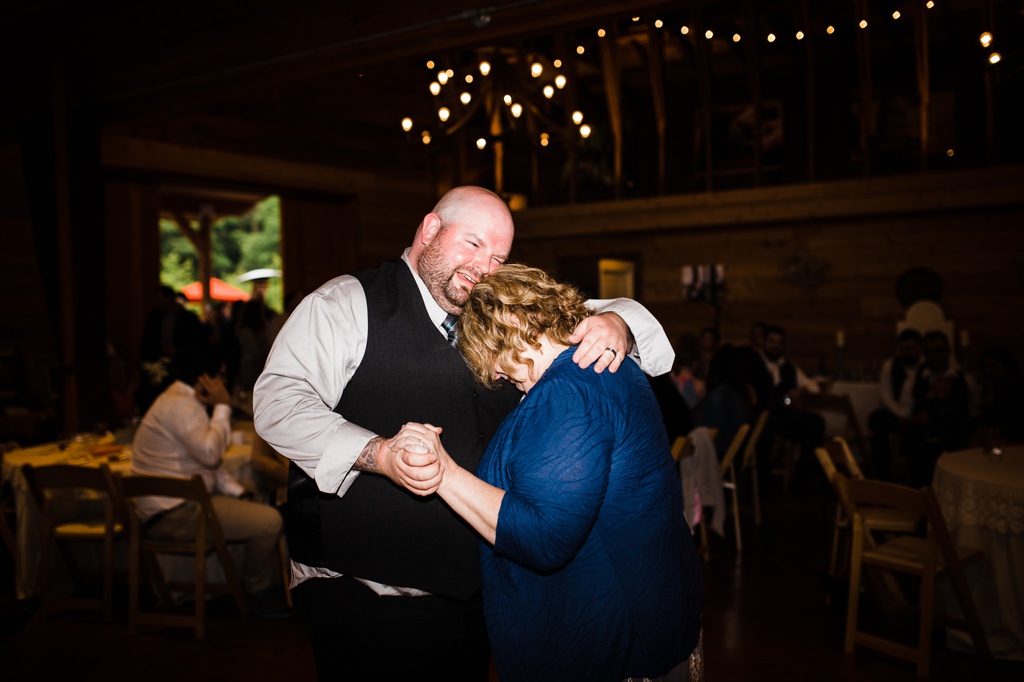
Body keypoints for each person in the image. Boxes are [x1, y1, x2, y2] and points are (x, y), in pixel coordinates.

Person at [253, 185, 674, 680]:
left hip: (476, 591)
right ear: (430, 230)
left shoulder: (504, 314)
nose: (484, 267)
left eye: (499, 257)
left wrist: (616, 322)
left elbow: (637, 328)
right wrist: (378, 453)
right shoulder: (346, 302)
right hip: (362, 589)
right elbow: (278, 400)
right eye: (473, 244)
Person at [391, 263, 703, 682]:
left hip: (612, 642)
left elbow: (543, 537)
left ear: (514, 323)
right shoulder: (605, 364)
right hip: (645, 615)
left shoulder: (569, 390)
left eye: (488, 354)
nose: (495, 375)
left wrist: (444, 472)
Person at [131, 344, 288, 618]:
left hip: (179, 505)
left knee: (254, 494)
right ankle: (257, 592)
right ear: (205, 378)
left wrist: (239, 492)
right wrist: (223, 407)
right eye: (222, 376)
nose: (224, 383)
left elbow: (205, 465)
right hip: (173, 513)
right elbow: (210, 454)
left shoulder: (180, 401)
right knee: (269, 521)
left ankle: (243, 581)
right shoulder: (180, 405)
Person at [751, 324, 826, 492]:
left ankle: (802, 478)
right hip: (762, 415)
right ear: (764, 342)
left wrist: (801, 390)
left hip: (784, 415)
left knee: (815, 423)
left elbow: (813, 386)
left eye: (779, 342)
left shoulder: (788, 366)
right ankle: (763, 485)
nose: (775, 346)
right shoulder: (754, 362)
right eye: (771, 341)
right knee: (763, 433)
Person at [902, 330, 970, 487]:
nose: (935, 355)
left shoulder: (961, 379)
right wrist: (916, 418)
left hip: (952, 440)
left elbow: (970, 413)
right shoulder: (915, 379)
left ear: (948, 352)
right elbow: (904, 412)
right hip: (920, 440)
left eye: (939, 350)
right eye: (929, 351)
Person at [867, 328, 923, 481]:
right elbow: (885, 395)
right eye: (903, 349)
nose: (906, 353)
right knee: (876, 420)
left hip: (918, 414)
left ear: (919, 349)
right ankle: (882, 474)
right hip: (896, 412)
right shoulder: (890, 366)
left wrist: (913, 416)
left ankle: (914, 477)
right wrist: (900, 415)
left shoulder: (925, 368)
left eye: (910, 349)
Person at [975, 345, 1024, 445]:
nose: (988, 371)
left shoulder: (1018, 390)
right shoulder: (988, 389)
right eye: (985, 367)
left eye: (992, 366)